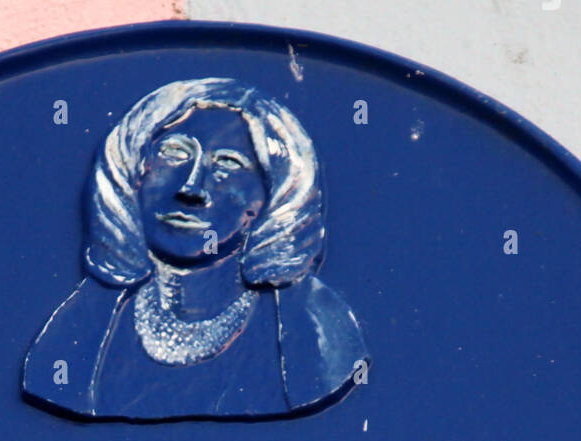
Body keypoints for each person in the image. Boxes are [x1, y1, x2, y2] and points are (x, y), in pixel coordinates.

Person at [22, 77, 367, 421]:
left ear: (274, 193)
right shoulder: (77, 331)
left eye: (228, 164)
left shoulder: (317, 331)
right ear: (133, 169)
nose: (191, 187)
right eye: (175, 153)